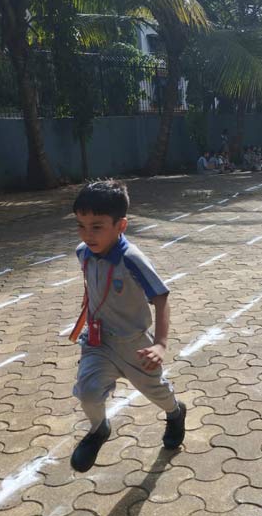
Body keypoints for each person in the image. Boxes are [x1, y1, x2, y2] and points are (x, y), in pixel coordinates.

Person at [68, 180, 186, 472]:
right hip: (98, 341)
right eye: (81, 225)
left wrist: (160, 344)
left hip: (135, 345)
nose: (87, 234)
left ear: (121, 225)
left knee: (157, 392)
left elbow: (161, 297)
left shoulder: (132, 259)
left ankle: (175, 412)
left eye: (97, 226)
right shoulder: (83, 252)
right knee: (88, 391)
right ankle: (99, 429)